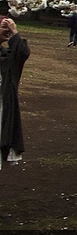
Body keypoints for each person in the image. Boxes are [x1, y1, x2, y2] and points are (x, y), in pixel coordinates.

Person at [0, 17, 30, 167]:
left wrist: (15, 32)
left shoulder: (6, 57)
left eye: (8, 28)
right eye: (3, 27)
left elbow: (23, 53)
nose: (7, 31)